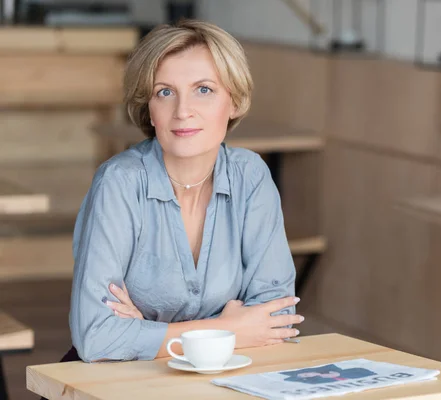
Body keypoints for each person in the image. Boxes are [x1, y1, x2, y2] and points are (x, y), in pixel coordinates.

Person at [68, 19, 303, 363]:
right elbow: (97, 337)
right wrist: (231, 330)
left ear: (234, 101)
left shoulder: (251, 177)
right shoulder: (119, 183)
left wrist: (148, 335)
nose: (182, 111)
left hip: (220, 380)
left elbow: (276, 321)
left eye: (204, 89)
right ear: (149, 108)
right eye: (165, 92)